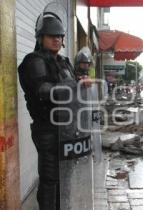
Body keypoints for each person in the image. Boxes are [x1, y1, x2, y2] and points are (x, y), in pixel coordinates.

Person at [18, 12, 91, 209]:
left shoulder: (64, 62)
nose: (57, 39)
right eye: (51, 36)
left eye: (59, 36)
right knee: (50, 179)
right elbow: (43, 91)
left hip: (67, 128)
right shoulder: (33, 61)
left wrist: (82, 85)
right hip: (48, 129)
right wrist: (74, 87)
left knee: (66, 176)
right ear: (41, 38)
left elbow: (73, 88)